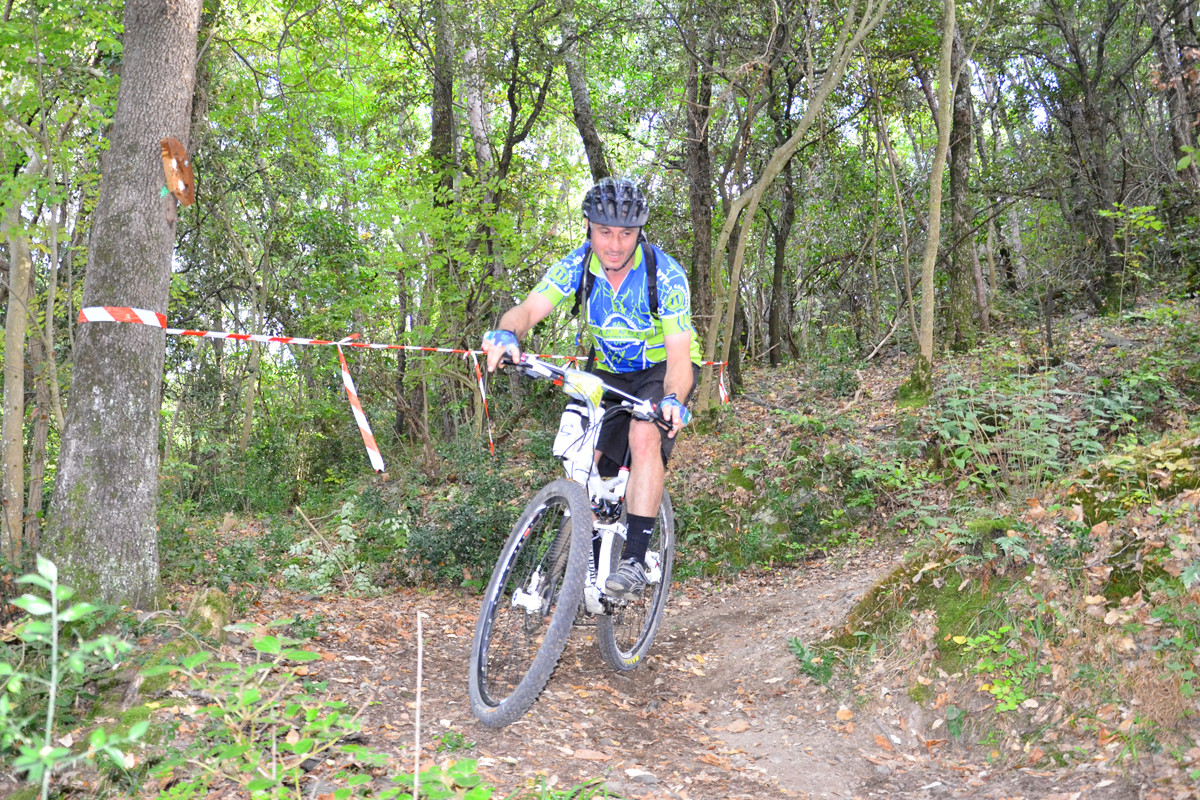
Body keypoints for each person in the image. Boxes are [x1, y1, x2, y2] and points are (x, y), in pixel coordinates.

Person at [481, 177, 702, 599]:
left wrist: (671, 400)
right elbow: (529, 309)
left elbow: (679, 358)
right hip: (608, 371)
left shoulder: (666, 276)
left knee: (643, 436)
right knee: (585, 459)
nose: (615, 245)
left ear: (640, 232)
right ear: (588, 226)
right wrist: (507, 334)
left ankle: (634, 558)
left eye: (626, 233)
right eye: (605, 232)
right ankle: (589, 547)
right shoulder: (578, 265)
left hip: (659, 371)